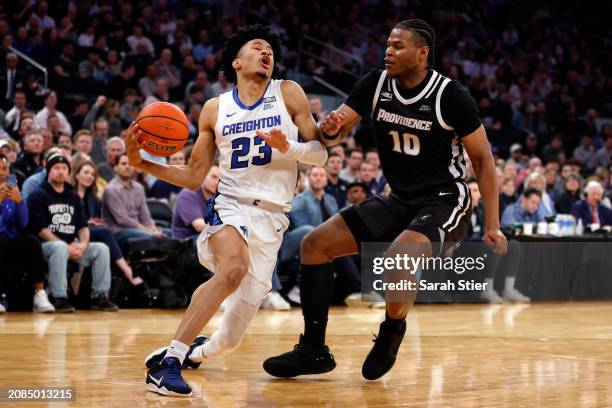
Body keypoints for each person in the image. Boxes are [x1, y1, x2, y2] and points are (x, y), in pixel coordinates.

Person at [264, 19, 506, 381]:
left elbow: (484, 160)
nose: (388, 52)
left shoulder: (449, 95)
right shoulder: (375, 84)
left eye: (398, 46)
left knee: (400, 256)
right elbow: (335, 133)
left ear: (422, 53)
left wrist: (492, 224)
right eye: (387, 45)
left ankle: (392, 330)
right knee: (315, 245)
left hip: (445, 199)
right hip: (397, 197)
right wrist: (330, 131)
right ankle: (313, 349)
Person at [125, 25, 329, 396]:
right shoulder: (215, 108)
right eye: (257, 47)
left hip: (273, 218)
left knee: (228, 341)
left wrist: (291, 148)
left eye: (270, 49)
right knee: (232, 268)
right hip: (230, 206)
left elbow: (321, 154)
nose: (267, 53)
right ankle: (169, 363)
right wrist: (142, 163)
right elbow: (193, 177)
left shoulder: (288, 93)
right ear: (236, 61)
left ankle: (193, 351)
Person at [27, 154, 118, 312]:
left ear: (69, 172)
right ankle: (59, 297)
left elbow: (82, 227)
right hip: (46, 246)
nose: (60, 172)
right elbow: (40, 229)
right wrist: (64, 245)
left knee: (101, 249)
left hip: (71, 246)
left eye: (64, 168)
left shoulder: (73, 197)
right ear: (48, 171)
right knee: (60, 248)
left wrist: (83, 244)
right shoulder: (38, 195)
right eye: (56, 168)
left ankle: (100, 297)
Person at [71, 160, 143, 286]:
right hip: (73, 232)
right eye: (86, 172)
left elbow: (97, 220)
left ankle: (105, 291)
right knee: (106, 233)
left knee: (106, 235)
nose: (90, 176)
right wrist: (86, 222)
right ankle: (126, 270)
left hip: (90, 232)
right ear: (76, 175)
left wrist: (95, 223)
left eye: (92, 174)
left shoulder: (93, 198)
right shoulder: (68, 194)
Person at [0, 153, 55, 313]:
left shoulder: (12, 186)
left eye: (5, 167)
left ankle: (39, 293)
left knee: (32, 241)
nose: (2, 171)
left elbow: (23, 224)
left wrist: (20, 202)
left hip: (9, 240)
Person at [101, 154, 163, 247]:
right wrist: (147, 230)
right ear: (115, 167)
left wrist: (153, 229)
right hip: (118, 231)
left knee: (169, 234)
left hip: (138, 229)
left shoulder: (139, 187)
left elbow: (144, 215)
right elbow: (122, 219)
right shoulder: (111, 190)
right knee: (153, 237)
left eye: (130, 164)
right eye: (123, 163)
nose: (127, 166)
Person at [171, 165, 220, 240]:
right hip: (185, 244)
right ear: (203, 176)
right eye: (214, 177)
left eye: (220, 179)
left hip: (206, 239)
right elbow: (199, 226)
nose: (217, 182)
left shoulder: (219, 197)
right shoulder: (188, 194)